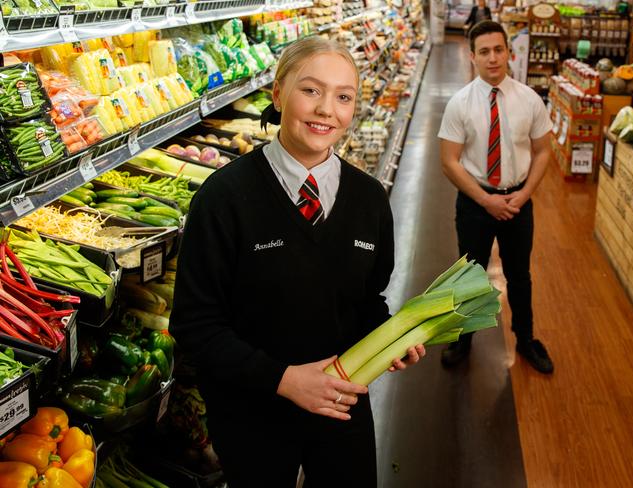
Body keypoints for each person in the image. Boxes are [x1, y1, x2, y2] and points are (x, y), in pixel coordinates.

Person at [169, 36, 426, 488]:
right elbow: (195, 325)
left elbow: (367, 300)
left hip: (342, 403)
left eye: (343, 97)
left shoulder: (368, 200)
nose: (327, 109)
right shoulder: (223, 199)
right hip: (252, 413)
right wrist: (283, 379)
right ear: (277, 94)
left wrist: (390, 338)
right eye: (311, 90)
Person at [437, 20, 554, 374]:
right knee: (470, 274)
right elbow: (449, 162)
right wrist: (486, 200)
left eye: (498, 50)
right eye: (484, 52)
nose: (492, 58)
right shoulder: (460, 103)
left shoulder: (530, 100)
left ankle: (526, 339)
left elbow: (544, 151)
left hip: (519, 200)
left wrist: (524, 194)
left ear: (509, 52)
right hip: (475, 202)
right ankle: (463, 338)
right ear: (472, 57)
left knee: (520, 275)